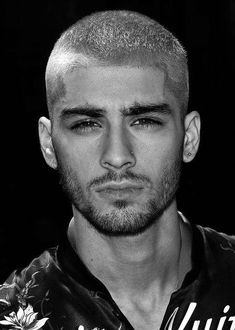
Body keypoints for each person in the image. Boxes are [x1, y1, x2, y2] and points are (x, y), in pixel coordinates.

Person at [0, 10, 234, 330]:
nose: (117, 155)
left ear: (189, 138)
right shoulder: (11, 317)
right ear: (48, 143)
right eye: (86, 124)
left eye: (145, 121)